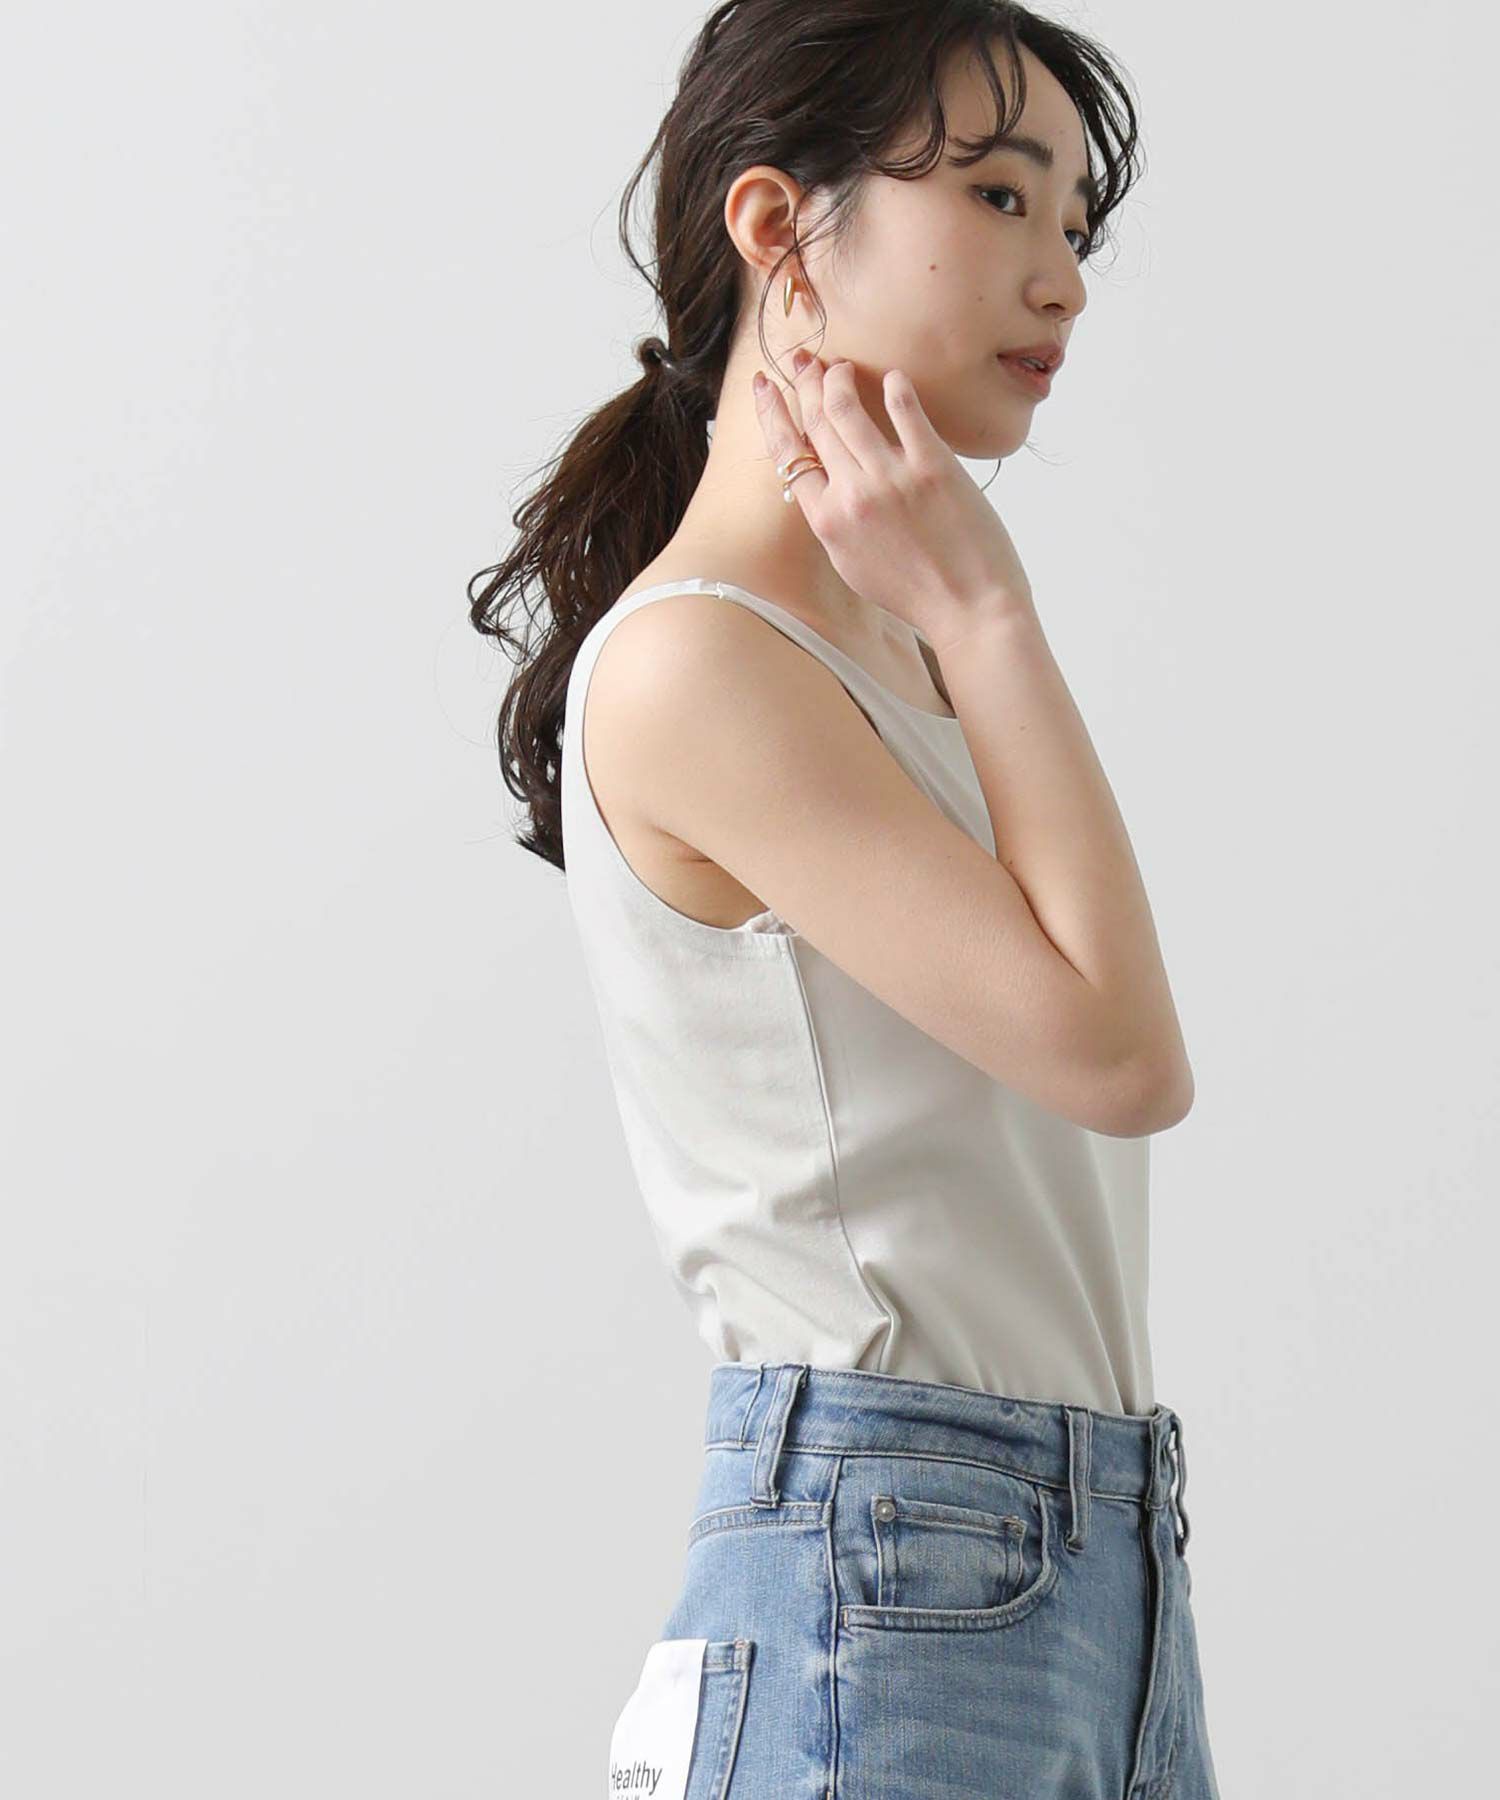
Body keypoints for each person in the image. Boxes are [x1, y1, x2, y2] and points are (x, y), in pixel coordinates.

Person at [470, 2, 1221, 1793]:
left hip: (1082, 1561)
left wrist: (963, 621)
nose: (1063, 280)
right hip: (891, 1571)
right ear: (776, 226)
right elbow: (1122, 1060)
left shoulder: (900, 647)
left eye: (1074, 225)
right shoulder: (701, 665)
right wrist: (988, 609)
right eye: (998, 196)